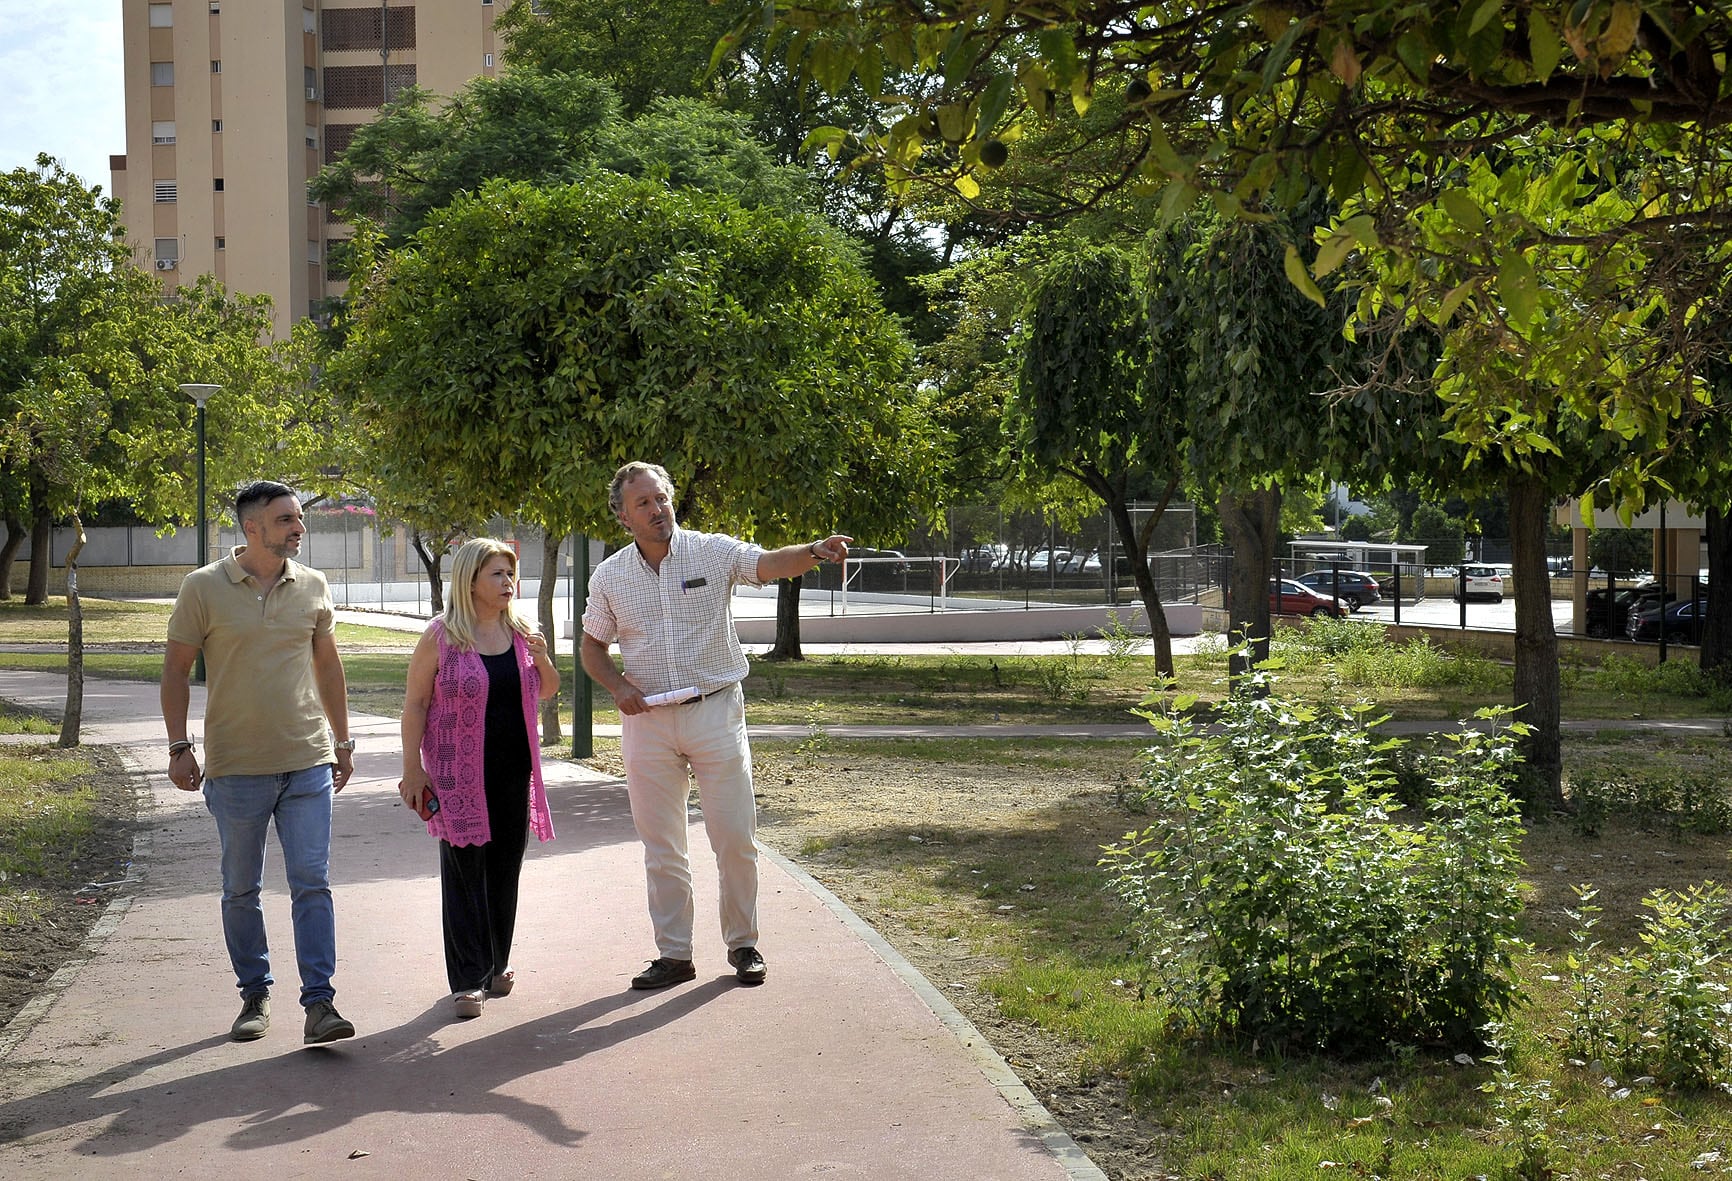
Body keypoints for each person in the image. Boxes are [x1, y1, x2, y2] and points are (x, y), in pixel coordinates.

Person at [580, 461, 850, 990]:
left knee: (734, 836)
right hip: (649, 722)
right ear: (623, 517)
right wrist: (619, 687)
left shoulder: (711, 550)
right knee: (662, 846)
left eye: (661, 498)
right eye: (644, 504)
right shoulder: (610, 576)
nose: (657, 510)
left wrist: (814, 551)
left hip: (715, 710)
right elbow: (592, 646)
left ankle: (743, 945)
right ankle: (674, 954)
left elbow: (766, 564)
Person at [161, 480, 357, 1045]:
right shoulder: (202, 588)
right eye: (286, 520)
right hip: (235, 765)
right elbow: (175, 672)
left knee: (312, 883)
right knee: (241, 889)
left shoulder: (313, 586)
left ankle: (320, 1004)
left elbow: (329, 669)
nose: (299, 528)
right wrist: (179, 747)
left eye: (299, 518)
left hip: (306, 762)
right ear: (252, 528)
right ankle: (254, 993)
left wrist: (342, 744)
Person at [399, 538, 559, 1019]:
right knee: (466, 871)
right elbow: (416, 703)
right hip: (456, 774)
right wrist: (412, 768)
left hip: (514, 770)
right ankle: (467, 979)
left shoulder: (522, 632)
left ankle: (496, 964)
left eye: (511, 575)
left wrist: (544, 657)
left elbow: (546, 691)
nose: (508, 583)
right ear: (470, 581)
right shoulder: (441, 636)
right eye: (497, 574)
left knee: (505, 868)